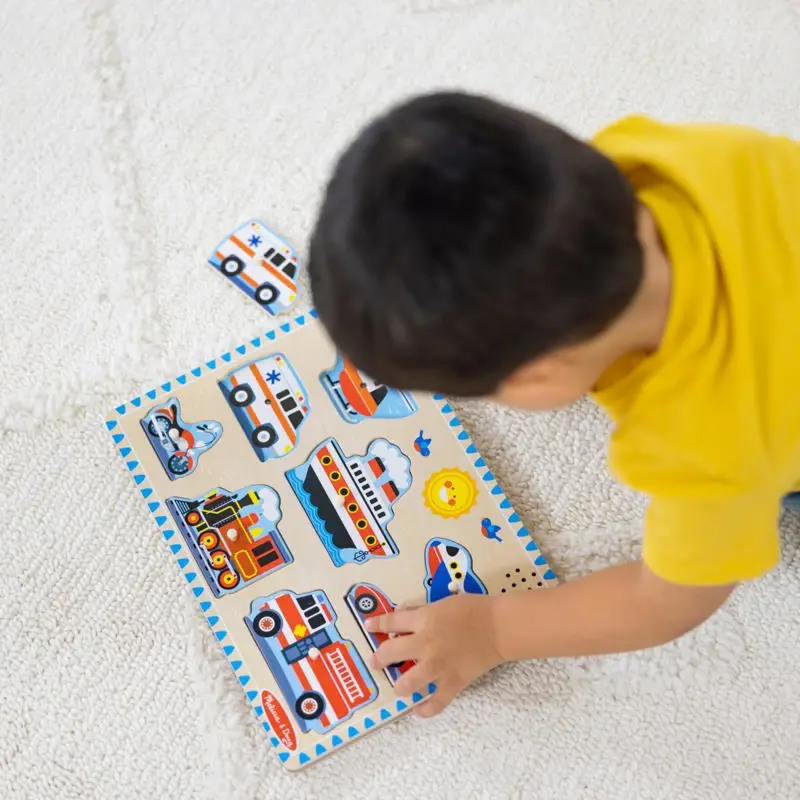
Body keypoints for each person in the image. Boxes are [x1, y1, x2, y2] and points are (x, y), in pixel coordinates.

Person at [307, 91, 800, 716]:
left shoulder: (705, 448)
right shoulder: (660, 154)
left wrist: (492, 630)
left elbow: (664, 603)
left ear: (540, 380)